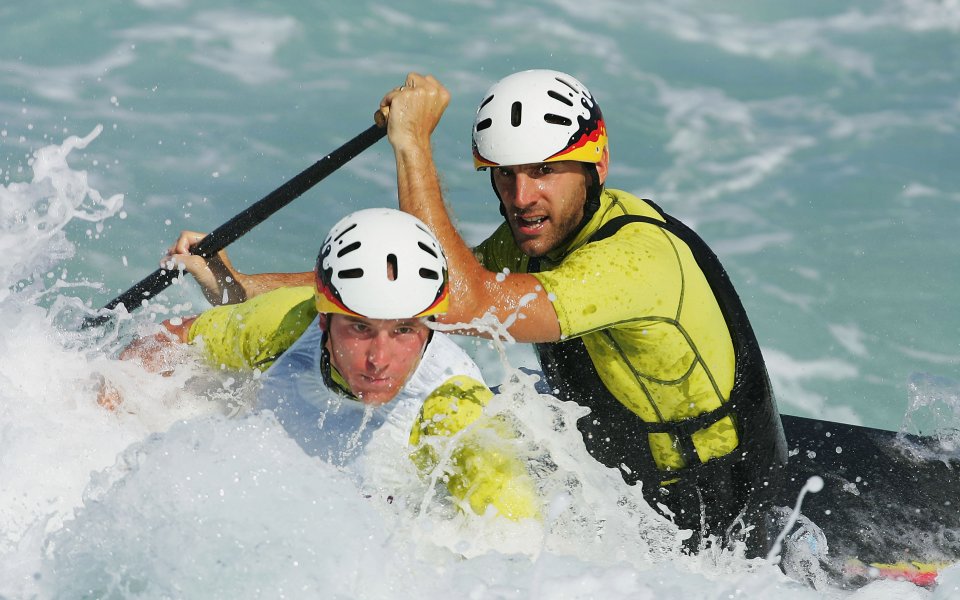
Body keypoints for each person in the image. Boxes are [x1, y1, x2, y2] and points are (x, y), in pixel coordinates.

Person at [166, 70, 787, 553]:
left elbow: (457, 303)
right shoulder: (540, 237)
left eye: (544, 171)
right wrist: (237, 284)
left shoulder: (636, 260)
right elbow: (410, 279)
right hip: (621, 492)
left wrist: (411, 145)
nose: (522, 197)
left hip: (720, 525)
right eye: (505, 175)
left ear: (598, 164)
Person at [109, 208, 540, 522]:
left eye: (404, 331)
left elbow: (517, 549)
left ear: (430, 327)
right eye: (359, 329)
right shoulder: (286, 322)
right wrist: (108, 405)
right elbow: (169, 339)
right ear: (323, 318)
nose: (379, 359)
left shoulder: (455, 406)